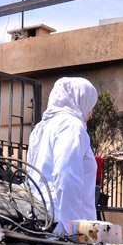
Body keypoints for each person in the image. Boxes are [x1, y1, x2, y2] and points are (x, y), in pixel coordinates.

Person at [26, 77, 98, 233]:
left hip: (39, 216)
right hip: (62, 222)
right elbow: (66, 175)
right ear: (79, 100)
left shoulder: (40, 128)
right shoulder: (71, 125)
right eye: (90, 106)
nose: (91, 114)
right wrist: (76, 228)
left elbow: (31, 175)